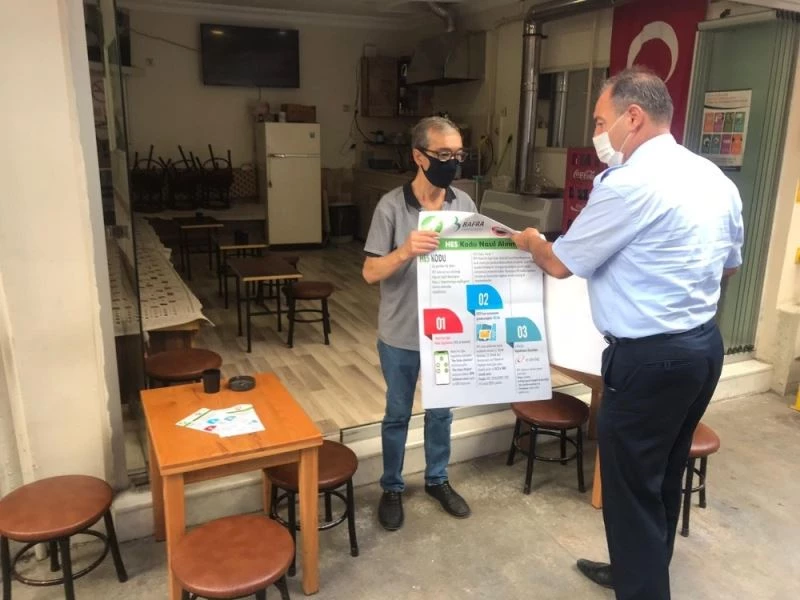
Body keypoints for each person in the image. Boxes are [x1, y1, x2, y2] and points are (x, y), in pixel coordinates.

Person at [512, 67, 744, 600]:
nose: (597, 133)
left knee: (629, 491)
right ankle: (637, 571)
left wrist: (530, 241)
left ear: (632, 117)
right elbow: (729, 265)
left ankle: (641, 587)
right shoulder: (714, 178)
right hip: (702, 349)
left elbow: (561, 263)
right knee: (662, 473)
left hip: (648, 361)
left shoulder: (628, 184)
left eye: (600, 121)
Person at [362, 116, 476, 531]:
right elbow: (370, 272)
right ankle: (392, 486)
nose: (452, 163)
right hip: (401, 333)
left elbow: (476, 260)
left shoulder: (464, 205)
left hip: (447, 333)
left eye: (458, 154)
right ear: (418, 156)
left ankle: (437, 479)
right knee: (397, 413)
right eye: (443, 154)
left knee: (441, 412)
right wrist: (405, 251)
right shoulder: (391, 207)